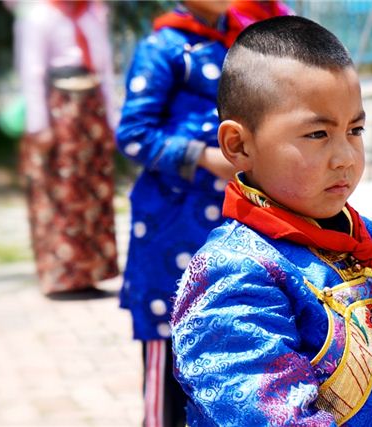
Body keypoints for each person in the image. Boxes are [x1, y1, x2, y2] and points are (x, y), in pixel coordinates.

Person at [170, 16, 372, 427]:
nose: (345, 156)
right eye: (317, 135)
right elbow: (271, 416)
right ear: (238, 145)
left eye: (355, 129)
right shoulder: (235, 272)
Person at [116, 1, 288, 425]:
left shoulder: (244, 40)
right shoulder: (164, 47)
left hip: (230, 220)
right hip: (172, 223)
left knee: (223, 341)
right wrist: (204, 156)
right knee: (167, 350)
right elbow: (133, 135)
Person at [15, 0, 119, 295]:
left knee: (93, 190)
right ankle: (63, 277)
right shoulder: (38, 15)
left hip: (91, 109)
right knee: (62, 191)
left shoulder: (93, 12)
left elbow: (105, 68)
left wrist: (111, 120)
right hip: (58, 109)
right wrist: (39, 125)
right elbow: (31, 73)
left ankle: (90, 274)